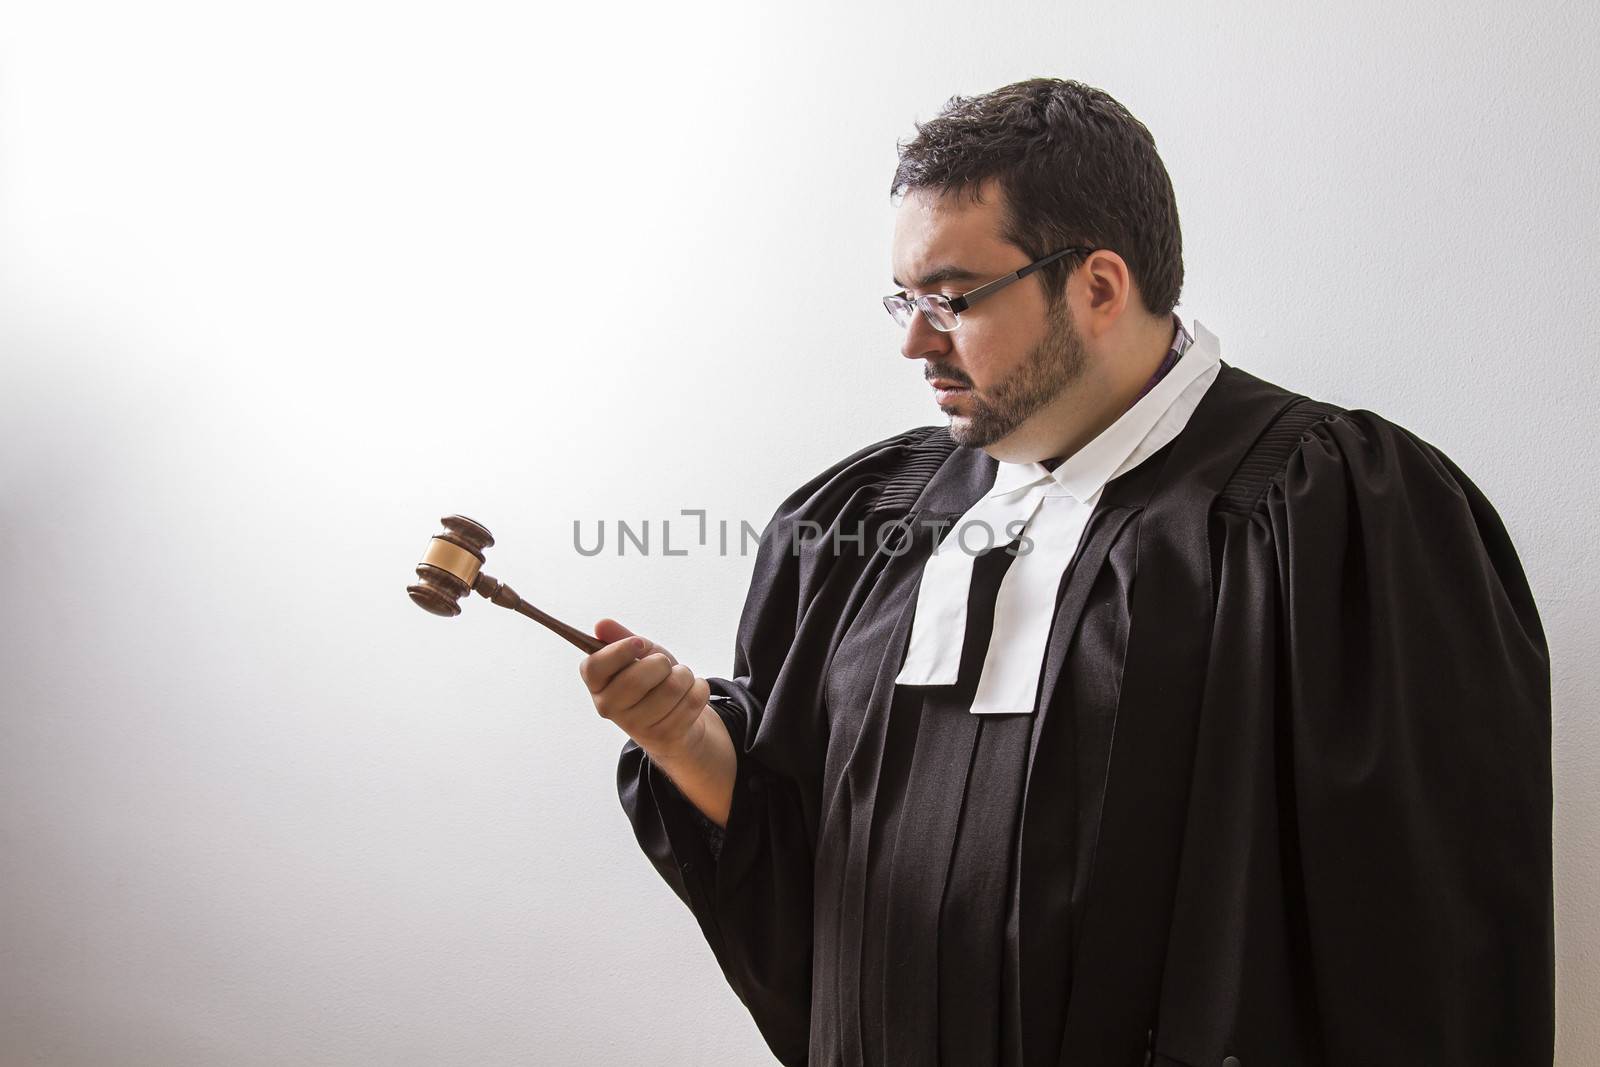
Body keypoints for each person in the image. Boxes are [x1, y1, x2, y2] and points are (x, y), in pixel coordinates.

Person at [579, 77, 1554, 1067]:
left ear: (1096, 285)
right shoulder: (860, 521)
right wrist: (687, 739)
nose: (913, 340)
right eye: (905, 298)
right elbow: (801, 885)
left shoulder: (1324, 515)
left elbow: (1418, 947)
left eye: (951, 300)